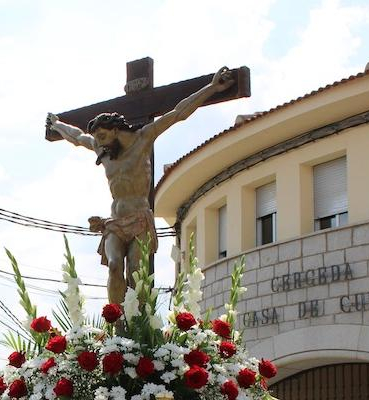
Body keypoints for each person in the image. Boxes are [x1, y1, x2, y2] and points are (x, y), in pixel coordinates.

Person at [45, 67, 234, 304]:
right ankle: (115, 322)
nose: (99, 142)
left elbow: (178, 113)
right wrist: (57, 124)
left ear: (115, 130)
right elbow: (76, 137)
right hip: (114, 222)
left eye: (102, 136)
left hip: (139, 219)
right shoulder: (102, 148)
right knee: (114, 266)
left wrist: (212, 87)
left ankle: (137, 325)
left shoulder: (143, 139)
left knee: (136, 276)